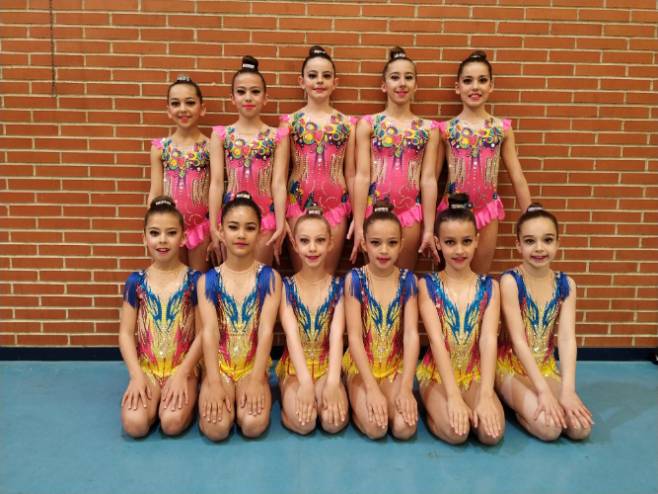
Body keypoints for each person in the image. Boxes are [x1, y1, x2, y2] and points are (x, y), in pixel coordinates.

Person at [496, 203, 593, 441]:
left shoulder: (566, 285)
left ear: (558, 242)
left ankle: (536, 401)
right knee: (550, 429)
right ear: (518, 245)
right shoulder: (510, 282)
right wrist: (542, 391)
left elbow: (567, 339)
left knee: (580, 428)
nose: (539, 248)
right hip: (510, 368)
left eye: (547, 240)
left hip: (545, 367)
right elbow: (518, 341)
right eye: (530, 241)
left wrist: (568, 390)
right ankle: (518, 408)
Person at [416, 193, 504, 445]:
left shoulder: (490, 287)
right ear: (438, 243)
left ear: (477, 240)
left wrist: (486, 394)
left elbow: (488, 340)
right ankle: (433, 410)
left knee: (491, 435)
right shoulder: (427, 285)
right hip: (437, 375)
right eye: (450, 242)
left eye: (466, 241)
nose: (459, 250)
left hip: (473, 373)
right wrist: (453, 396)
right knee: (458, 433)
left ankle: (473, 401)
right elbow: (436, 341)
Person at [436, 50, 532, 273]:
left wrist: (530, 216)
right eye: (468, 81)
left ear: (491, 86)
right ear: (457, 87)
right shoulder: (446, 130)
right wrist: (428, 224)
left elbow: (517, 176)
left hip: (487, 211)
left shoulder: (501, 129)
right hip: (451, 212)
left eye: (482, 80)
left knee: (480, 278)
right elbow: (430, 179)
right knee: (449, 277)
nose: (475, 87)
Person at [197, 192, 282, 440]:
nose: (241, 235)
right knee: (216, 429)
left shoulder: (269, 278)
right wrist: (213, 382)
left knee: (253, 425)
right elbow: (209, 332)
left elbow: (266, 330)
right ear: (221, 231)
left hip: (251, 366)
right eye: (233, 227)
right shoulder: (208, 280)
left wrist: (256, 379)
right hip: (220, 367)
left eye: (250, 228)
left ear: (260, 232)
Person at [119, 196, 202, 438]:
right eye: (155, 233)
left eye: (171, 233)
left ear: (183, 238)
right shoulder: (136, 281)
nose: (162, 240)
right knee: (134, 425)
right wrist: (136, 376)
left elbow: (203, 334)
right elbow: (125, 333)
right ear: (144, 238)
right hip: (148, 369)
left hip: (182, 369)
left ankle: (188, 395)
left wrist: (183, 373)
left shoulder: (194, 280)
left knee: (172, 423)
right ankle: (154, 399)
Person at [352, 46, 440, 270]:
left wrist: (429, 228)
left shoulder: (428, 129)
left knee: (404, 278)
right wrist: (359, 223)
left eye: (408, 77)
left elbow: (428, 180)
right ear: (384, 85)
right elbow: (362, 176)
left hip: (410, 213)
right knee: (373, 278)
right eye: (395, 77)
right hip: (374, 211)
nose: (402, 83)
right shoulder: (369, 124)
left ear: (416, 85)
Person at [343, 201, 419, 440]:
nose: (384, 250)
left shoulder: (408, 280)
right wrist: (371, 388)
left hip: (393, 367)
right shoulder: (355, 279)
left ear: (402, 244)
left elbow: (411, 335)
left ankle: (379, 398)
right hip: (361, 368)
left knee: (404, 429)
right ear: (364, 244)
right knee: (377, 428)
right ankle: (354, 402)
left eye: (392, 243)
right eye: (376, 243)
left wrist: (406, 387)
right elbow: (354, 337)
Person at [280, 45, 357, 274]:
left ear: (335, 82)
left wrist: (358, 216)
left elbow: (351, 173)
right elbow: (281, 175)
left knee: (327, 275)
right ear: (301, 81)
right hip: (297, 205)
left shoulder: (347, 124)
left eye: (326, 76)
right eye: (312, 75)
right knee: (303, 274)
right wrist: (279, 214)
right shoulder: (290, 122)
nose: (319, 81)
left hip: (336, 206)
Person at [276, 206, 349, 434]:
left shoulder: (339, 287)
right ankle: (286, 410)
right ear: (295, 245)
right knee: (304, 424)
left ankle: (327, 391)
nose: (312, 248)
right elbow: (292, 337)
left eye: (320, 240)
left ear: (331, 244)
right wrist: (305, 382)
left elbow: (336, 337)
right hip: (295, 369)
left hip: (327, 367)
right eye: (305, 241)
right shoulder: (286, 287)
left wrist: (333, 382)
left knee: (333, 423)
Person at [209, 56, 288, 266]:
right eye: (241, 92)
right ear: (232, 98)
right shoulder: (221, 135)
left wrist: (281, 222)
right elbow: (216, 183)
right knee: (231, 278)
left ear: (265, 98)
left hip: (266, 218)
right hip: (230, 219)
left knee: (260, 277)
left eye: (255, 91)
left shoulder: (277, 136)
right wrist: (213, 225)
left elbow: (278, 183)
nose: (248, 97)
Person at [148, 75, 211, 272]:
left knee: (198, 279)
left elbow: (217, 187)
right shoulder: (161, 148)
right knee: (174, 278)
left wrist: (216, 227)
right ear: (168, 110)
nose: (183, 109)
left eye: (190, 103)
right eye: (176, 103)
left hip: (201, 226)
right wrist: (151, 226)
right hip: (169, 227)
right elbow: (155, 191)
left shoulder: (210, 146)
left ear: (202, 108)